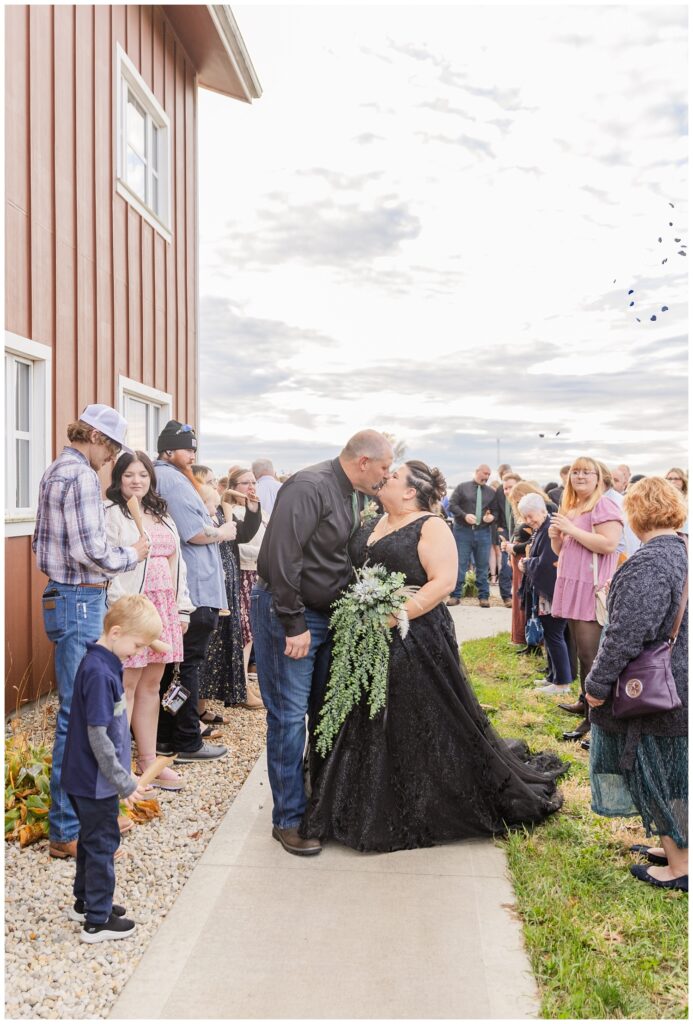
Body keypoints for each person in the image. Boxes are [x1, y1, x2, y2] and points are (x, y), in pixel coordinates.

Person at [300, 461, 565, 852]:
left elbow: (444, 582)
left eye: (392, 476)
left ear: (410, 491)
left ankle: (412, 800)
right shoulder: (372, 518)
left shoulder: (431, 525)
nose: (383, 479)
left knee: (411, 714)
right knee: (362, 713)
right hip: (364, 634)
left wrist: (396, 614)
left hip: (415, 635)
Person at [252, 429, 394, 856]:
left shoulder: (351, 492)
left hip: (327, 615)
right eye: (385, 468)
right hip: (290, 614)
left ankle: (316, 803)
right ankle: (288, 819)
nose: (387, 477)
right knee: (290, 717)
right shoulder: (308, 486)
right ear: (364, 461)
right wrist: (294, 623)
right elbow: (282, 555)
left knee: (323, 711)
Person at [33, 405, 149, 859]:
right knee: (81, 716)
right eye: (113, 448)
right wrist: (132, 552)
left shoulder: (54, 470)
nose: (111, 459)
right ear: (97, 438)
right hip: (80, 598)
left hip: (66, 597)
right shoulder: (80, 476)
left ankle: (82, 817)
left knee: (80, 712)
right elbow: (89, 549)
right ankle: (67, 829)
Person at [585, 477, 688, 892]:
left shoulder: (649, 562)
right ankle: (677, 846)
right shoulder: (683, 549)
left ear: (634, 514)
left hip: (657, 688)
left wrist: (596, 685)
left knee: (656, 769)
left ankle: (680, 867)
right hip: (680, 677)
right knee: (677, 769)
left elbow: (626, 636)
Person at [61, 595, 158, 941]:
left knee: (90, 840)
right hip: (94, 781)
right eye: (137, 644)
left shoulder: (102, 662)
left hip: (85, 779)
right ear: (116, 632)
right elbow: (99, 739)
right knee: (103, 844)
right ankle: (98, 920)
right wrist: (125, 783)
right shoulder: (100, 673)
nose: (138, 652)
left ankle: (86, 900)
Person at [104, 452, 194, 790]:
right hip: (133, 609)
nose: (137, 480)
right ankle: (117, 766)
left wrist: (181, 608)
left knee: (152, 686)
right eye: (129, 475)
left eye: (143, 474)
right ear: (119, 478)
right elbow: (109, 566)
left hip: (163, 607)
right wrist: (121, 614)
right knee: (126, 686)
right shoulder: (112, 514)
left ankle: (147, 760)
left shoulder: (162, 513)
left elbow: (178, 563)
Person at [153, 421, 234, 762]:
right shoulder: (172, 479)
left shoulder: (169, 477)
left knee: (174, 667)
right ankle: (187, 741)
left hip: (186, 587)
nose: (192, 455)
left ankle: (165, 737)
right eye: (187, 448)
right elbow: (194, 533)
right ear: (168, 450)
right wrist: (224, 530)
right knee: (188, 666)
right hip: (195, 590)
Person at [549, 457, 623, 744]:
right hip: (573, 585)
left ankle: (600, 724)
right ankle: (586, 706)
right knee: (581, 652)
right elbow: (563, 551)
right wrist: (557, 536)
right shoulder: (572, 506)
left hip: (590, 587)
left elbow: (608, 544)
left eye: (585, 472)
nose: (579, 476)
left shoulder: (603, 504)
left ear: (598, 477)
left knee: (592, 656)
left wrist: (570, 529)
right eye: (575, 472)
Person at [199, 481, 264, 712]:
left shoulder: (221, 512)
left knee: (230, 639)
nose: (251, 486)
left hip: (229, 582)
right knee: (210, 646)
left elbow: (244, 533)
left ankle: (225, 695)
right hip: (214, 585)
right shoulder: (207, 516)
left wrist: (252, 508)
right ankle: (202, 706)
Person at [517, 494, 572, 694]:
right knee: (550, 636)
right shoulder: (542, 527)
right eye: (525, 518)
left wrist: (525, 564)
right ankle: (553, 677)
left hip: (552, 591)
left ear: (542, 510)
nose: (528, 521)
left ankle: (563, 683)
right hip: (548, 592)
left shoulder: (550, 528)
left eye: (531, 516)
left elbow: (547, 563)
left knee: (554, 635)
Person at [227, 466, 269, 701]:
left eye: (253, 482)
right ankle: (240, 687)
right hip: (243, 573)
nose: (251, 487)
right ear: (234, 488)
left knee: (250, 632)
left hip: (257, 574)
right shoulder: (233, 511)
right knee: (243, 632)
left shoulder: (255, 510)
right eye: (245, 483)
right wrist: (264, 552)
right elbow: (236, 545)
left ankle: (243, 683)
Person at [447, 464, 497, 608]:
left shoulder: (490, 492)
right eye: (485, 473)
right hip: (463, 531)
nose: (486, 477)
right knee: (460, 564)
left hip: (483, 532)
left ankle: (483, 597)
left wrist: (491, 517)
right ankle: (455, 595)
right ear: (477, 472)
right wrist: (464, 515)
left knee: (482, 565)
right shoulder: (462, 487)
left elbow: (495, 512)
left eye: (489, 474)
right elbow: (451, 505)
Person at [495, 472, 522, 609]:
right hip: (508, 538)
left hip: (523, 546)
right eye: (505, 488)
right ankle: (507, 597)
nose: (507, 491)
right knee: (505, 567)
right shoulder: (507, 501)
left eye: (510, 487)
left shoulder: (524, 503)